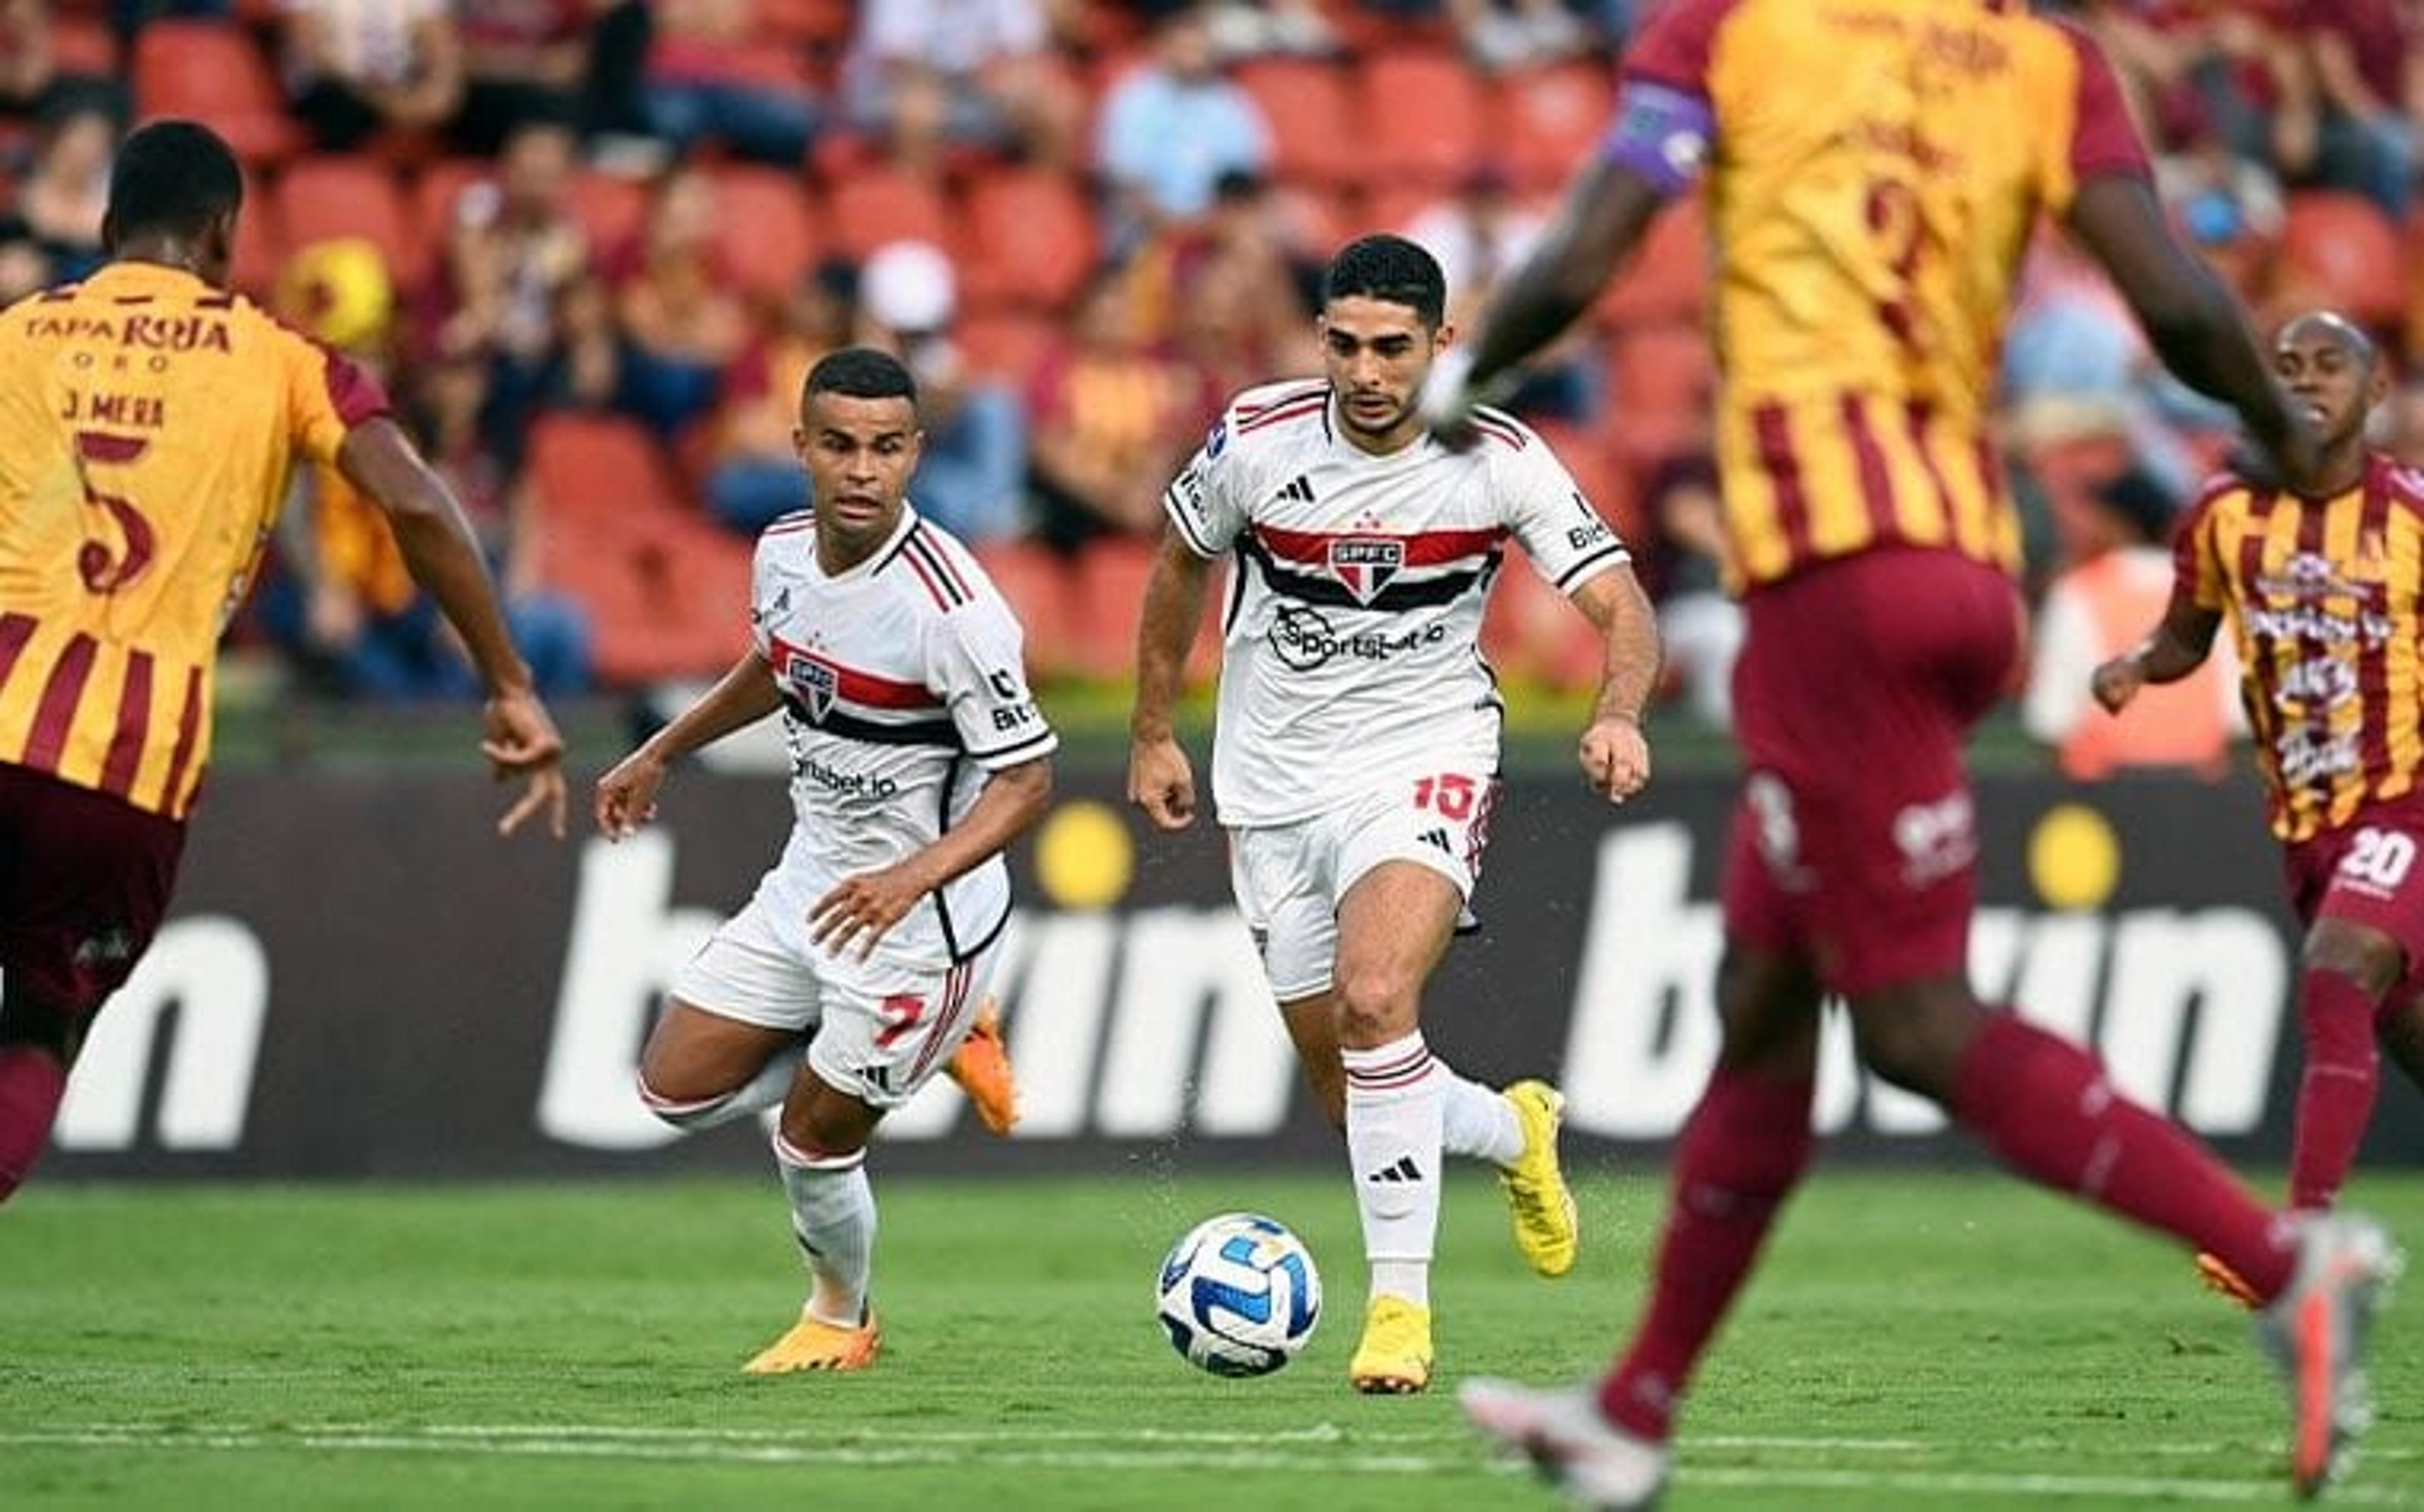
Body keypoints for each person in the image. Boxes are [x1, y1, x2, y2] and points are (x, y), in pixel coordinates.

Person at [1425, 4, 2396, 1505]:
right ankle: (1634, 1412)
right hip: (1964, 567)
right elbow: (2181, 301)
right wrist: (2276, 421)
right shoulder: (2046, 60)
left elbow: (1602, 231)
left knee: (1914, 1025)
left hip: (1836, 577)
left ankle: (2288, 1265)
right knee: (1762, 998)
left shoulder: (1734, 31)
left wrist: (1463, 368)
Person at [1127, 233, 1662, 1396]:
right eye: (1346, 346)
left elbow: (1624, 611)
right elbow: (1178, 567)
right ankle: (1515, 1133)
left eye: (1393, 350)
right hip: (1269, 784)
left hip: (1423, 757)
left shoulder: (1500, 459)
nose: (1367, 374)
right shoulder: (1257, 443)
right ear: (1320, 337)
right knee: (1354, 1089)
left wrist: (1620, 713)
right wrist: (1156, 730)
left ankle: (1400, 1313)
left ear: (1442, 345)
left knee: (1378, 1002)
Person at [0, 119, 567, 1205]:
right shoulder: (280, 358)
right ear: (223, 240)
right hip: (124, 766)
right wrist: (509, 681)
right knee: (40, 1024)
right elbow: (413, 500)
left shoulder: (19, 334)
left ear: (111, 229)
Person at [598, 346, 1053, 1373]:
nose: (861, 470)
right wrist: (663, 749)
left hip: (918, 926)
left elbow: (1027, 783)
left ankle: (841, 1321)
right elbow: (779, 663)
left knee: (811, 1141)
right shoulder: (783, 552)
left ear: (915, 456)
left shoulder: (956, 613)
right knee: (670, 1094)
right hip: (812, 882)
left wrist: (911, 876)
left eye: (885, 450)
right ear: (800, 446)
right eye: (840, 446)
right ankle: (941, 1049)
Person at [2096, 311, 2424, 1268]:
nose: (2306, 381)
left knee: (2338, 967)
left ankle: (2299, 1239)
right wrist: (2133, 667)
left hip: (2406, 803)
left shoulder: (2410, 516)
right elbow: (2185, 638)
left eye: (2331, 366)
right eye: (2286, 368)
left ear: (2374, 394)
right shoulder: (2223, 517)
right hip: (2308, 829)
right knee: (2398, 1026)